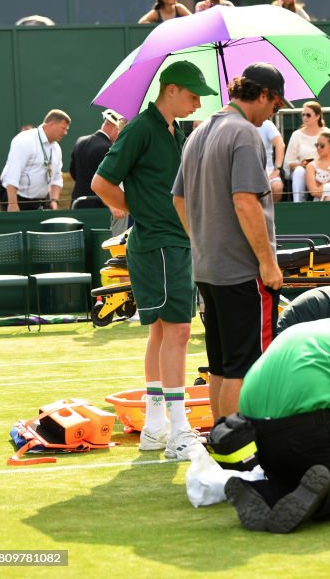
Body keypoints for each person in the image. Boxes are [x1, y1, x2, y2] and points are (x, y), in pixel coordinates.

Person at [92, 60, 217, 461]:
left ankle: (156, 425)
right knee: (176, 332)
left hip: (172, 243)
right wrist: (137, 210)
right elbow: (100, 182)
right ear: (172, 90)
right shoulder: (143, 129)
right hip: (159, 244)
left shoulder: (177, 131)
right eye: (194, 94)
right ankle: (178, 428)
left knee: (163, 333)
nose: (198, 103)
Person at [225, 291, 330, 533]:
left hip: (256, 435)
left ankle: (262, 492)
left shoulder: (301, 330)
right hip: (311, 425)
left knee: (296, 478)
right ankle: (324, 495)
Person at [172, 62, 286, 421]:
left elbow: (178, 198)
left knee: (220, 364)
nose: (273, 114)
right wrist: (268, 263)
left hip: (208, 267)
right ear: (263, 94)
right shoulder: (243, 134)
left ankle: (222, 443)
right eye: (276, 105)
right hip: (241, 271)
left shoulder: (199, 131)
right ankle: (239, 449)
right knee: (244, 365)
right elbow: (244, 200)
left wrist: (204, 238)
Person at [0, 109, 71, 211]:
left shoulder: (56, 148)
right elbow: (12, 174)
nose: (65, 133)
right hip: (16, 198)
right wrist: (13, 204)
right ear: (52, 124)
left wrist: (54, 201)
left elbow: (57, 178)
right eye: (63, 128)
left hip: (40, 201)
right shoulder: (25, 140)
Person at [70, 108, 122, 209]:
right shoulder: (108, 149)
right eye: (120, 131)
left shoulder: (80, 141)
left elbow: (73, 172)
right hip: (98, 205)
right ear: (114, 128)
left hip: (77, 203)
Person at [283, 101, 327, 202]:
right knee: (299, 172)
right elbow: (288, 162)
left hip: (324, 170)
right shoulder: (296, 135)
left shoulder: (327, 134)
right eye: (303, 115)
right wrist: (301, 164)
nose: (305, 117)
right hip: (302, 170)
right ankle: (298, 204)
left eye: (308, 115)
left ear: (317, 116)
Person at [302, 128, 330, 201]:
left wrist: (321, 186)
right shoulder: (311, 166)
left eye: (322, 145)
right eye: (317, 145)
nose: (318, 148)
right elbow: (314, 192)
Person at [258, 116, 285, 203]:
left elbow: (280, 144)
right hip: (244, 171)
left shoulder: (267, 124)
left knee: (277, 187)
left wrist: (277, 169)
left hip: (267, 169)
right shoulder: (238, 125)